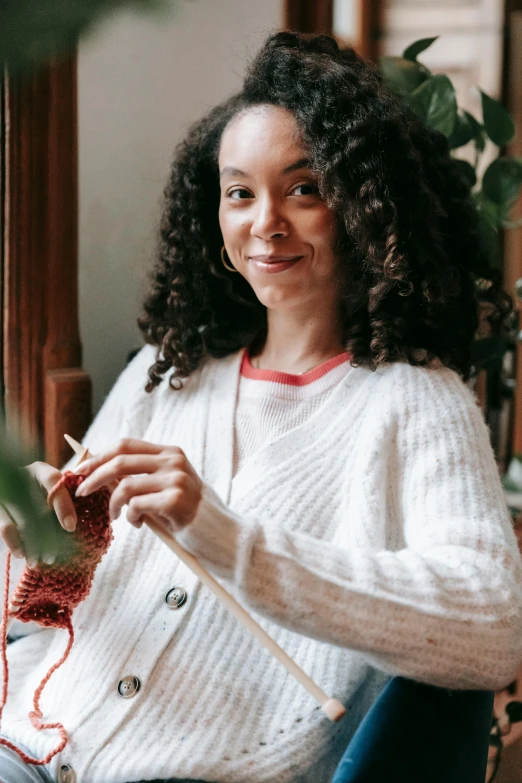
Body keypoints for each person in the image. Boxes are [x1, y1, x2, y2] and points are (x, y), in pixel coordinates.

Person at [0, 31, 521, 783]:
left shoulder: (416, 403)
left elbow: (494, 626)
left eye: (303, 188)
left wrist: (225, 536)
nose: (265, 222)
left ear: (363, 207)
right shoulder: (164, 372)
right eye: (239, 191)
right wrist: (37, 541)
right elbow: (54, 597)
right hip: (31, 743)